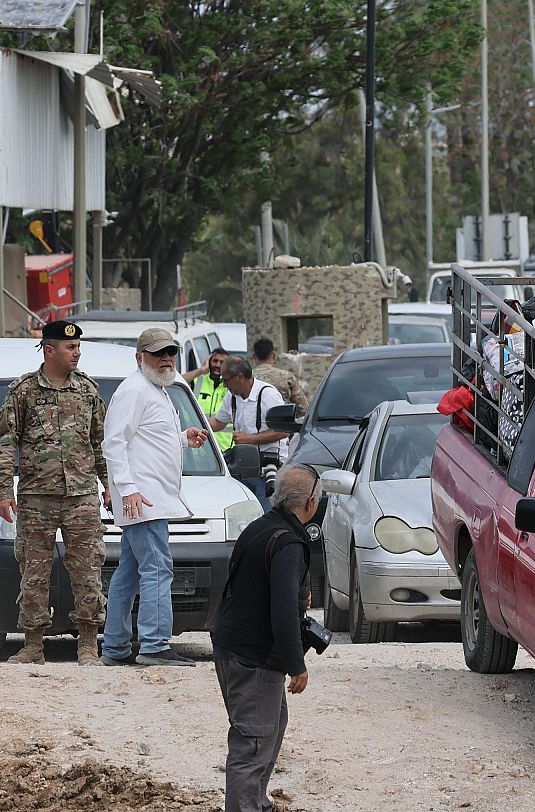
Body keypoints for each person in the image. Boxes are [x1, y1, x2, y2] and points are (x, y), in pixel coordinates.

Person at [0, 321, 109, 666]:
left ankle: (88, 644)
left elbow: (100, 443)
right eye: (70, 347)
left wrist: (110, 487)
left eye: (78, 347)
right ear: (49, 349)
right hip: (36, 497)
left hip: (81, 496)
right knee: (34, 571)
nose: (77, 353)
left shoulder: (87, 391)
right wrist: (2, 489)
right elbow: (4, 441)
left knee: (88, 571)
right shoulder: (23, 391)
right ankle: (32, 645)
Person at [211, 464, 322, 812]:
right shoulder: (287, 542)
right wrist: (296, 665)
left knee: (272, 724)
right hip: (253, 656)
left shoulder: (261, 527)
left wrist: (295, 591)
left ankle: (257, 802)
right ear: (310, 503)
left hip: (232, 647)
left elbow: (251, 583)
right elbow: (283, 611)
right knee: (253, 742)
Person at [100, 327, 212, 667]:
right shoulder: (134, 391)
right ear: (139, 357)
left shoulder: (156, 389)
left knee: (129, 572)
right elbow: (114, 443)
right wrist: (127, 488)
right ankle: (154, 645)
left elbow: (146, 440)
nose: (166, 358)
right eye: (157, 353)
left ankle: (116, 648)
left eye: (170, 352)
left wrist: (181, 439)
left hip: (148, 497)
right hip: (143, 499)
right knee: (158, 568)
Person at [210, 358, 289, 511]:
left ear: (239, 377)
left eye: (225, 380)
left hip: (267, 468)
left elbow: (284, 431)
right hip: (244, 467)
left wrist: (249, 439)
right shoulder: (231, 396)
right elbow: (218, 423)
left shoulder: (268, 395)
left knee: (266, 514)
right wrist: (194, 421)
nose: (224, 385)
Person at [251, 339, 308, 418]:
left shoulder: (247, 378)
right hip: (281, 424)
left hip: (253, 425)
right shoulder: (287, 377)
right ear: (274, 355)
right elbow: (303, 408)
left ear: (254, 356)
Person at [195, 348, 236, 456]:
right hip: (198, 448)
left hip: (225, 449)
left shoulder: (233, 387)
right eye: (215, 361)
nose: (218, 365)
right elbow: (174, 383)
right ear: (209, 361)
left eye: (222, 362)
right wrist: (201, 370)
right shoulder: (198, 380)